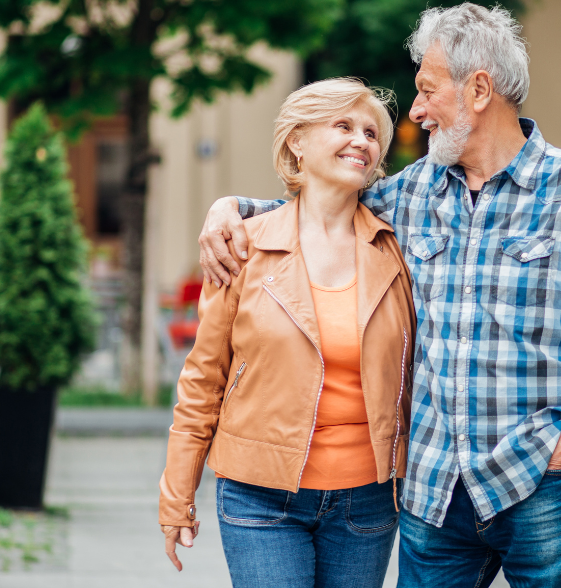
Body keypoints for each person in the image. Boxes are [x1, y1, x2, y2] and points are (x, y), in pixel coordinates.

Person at [199, 3, 561, 588]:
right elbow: (315, 211)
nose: (418, 111)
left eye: (428, 91)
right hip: (435, 494)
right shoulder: (410, 193)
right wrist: (232, 211)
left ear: (479, 90)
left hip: (547, 491)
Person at [159, 78, 416, 588]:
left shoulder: (396, 248)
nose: (361, 140)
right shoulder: (242, 247)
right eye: (342, 125)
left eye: (370, 132)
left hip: (368, 498)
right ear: (297, 141)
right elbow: (203, 378)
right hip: (260, 494)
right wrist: (176, 494)